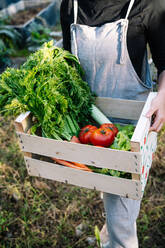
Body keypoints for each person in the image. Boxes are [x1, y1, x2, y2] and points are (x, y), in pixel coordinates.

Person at [60, 0, 165, 247]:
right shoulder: (71, 5)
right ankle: (111, 231)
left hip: (131, 129)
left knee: (122, 215)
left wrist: (162, 96)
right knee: (108, 189)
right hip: (89, 125)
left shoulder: (148, 4)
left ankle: (118, 240)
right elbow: (68, 63)